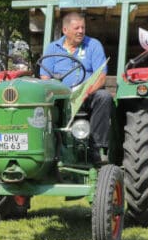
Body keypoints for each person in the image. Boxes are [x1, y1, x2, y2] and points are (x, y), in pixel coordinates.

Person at [39, 11, 112, 163]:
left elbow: (101, 76)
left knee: (104, 97)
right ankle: (44, 148)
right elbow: (45, 78)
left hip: (87, 95)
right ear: (65, 30)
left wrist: (87, 91)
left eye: (83, 28)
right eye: (77, 28)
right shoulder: (53, 48)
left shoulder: (93, 45)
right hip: (60, 97)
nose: (81, 31)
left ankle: (97, 148)